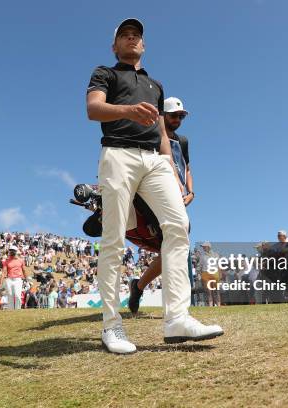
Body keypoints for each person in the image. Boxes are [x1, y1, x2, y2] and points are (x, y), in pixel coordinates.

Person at [86, 18, 222, 354]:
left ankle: (177, 318)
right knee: (114, 237)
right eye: (124, 36)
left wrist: (173, 172)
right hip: (117, 152)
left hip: (156, 161)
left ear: (143, 45)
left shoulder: (156, 85)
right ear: (115, 45)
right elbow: (93, 109)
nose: (132, 39)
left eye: (137, 36)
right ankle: (111, 326)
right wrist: (128, 110)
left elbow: (163, 134)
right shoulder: (105, 72)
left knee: (178, 226)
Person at [128, 96, 195, 313]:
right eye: (174, 115)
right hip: (154, 196)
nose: (178, 119)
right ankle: (175, 309)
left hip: (179, 196)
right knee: (174, 244)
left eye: (181, 116)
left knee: (174, 245)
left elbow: (187, 167)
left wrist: (191, 191)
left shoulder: (182, 141)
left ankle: (138, 287)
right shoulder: (148, 135)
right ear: (162, 115)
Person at [0, 245, 25, 310]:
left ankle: (17, 309)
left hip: (18, 279)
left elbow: (24, 270)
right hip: (9, 279)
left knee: (17, 295)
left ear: (16, 251)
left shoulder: (21, 260)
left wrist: (26, 279)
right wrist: (0, 283)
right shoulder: (6, 261)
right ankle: (11, 310)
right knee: (10, 295)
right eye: (10, 250)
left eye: (13, 250)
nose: (11, 251)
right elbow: (4, 272)